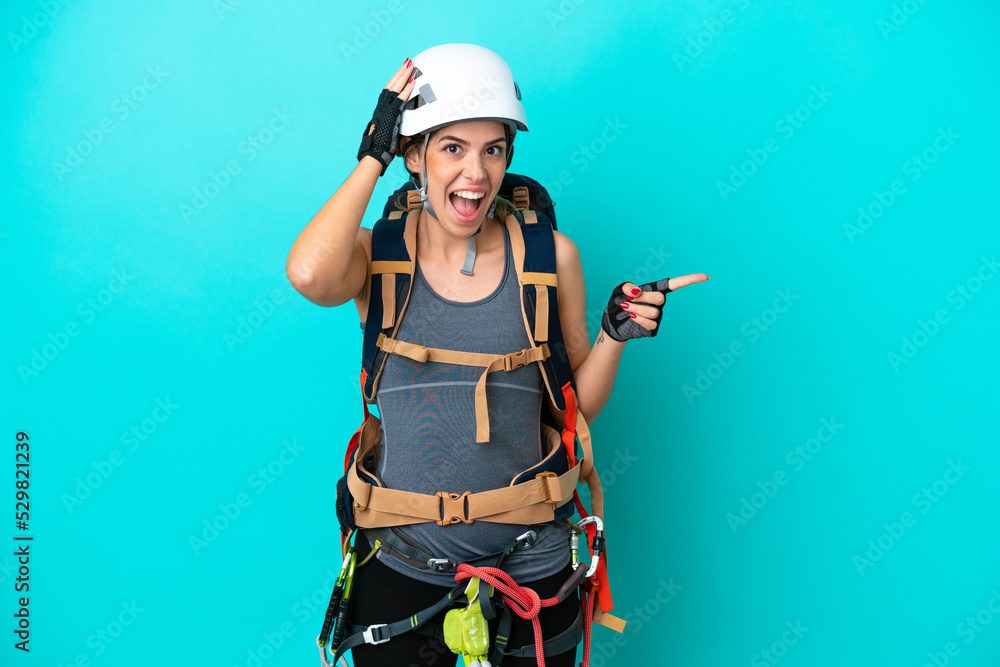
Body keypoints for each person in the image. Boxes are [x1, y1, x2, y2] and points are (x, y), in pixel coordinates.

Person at [286, 43, 708, 667]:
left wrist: (613, 337)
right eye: (452, 148)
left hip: (532, 565)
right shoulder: (377, 254)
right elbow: (308, 274)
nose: (476, 173)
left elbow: (573, 410)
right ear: (414, 155)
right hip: (402, 561)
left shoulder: (551, 258)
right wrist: (373, 155)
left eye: (493, 150)